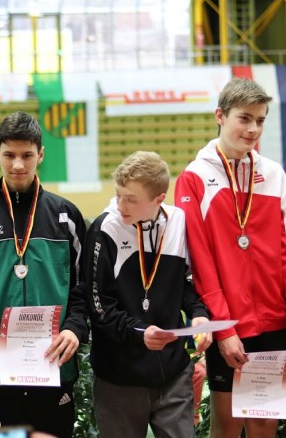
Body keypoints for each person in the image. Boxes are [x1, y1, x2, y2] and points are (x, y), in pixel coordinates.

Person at [174, 77, 286, 438]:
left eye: (260, 120)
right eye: (245, 118)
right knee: (227, 422)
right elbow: (200, 261)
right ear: (220, 116)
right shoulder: (194, 178)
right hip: (228, 323)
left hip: (272, 321)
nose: (253, 129)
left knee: (264, 422)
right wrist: (223, 328)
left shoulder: (272, 174)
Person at [0, 111, 89, 438]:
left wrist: (74, 327)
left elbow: (84, 288)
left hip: (53, 368)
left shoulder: (66, 217)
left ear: (40, 154)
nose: (17, 165)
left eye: (27, 155)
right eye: (9, 155)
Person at [84, 151, 212, 438]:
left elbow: (188, 282)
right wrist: (139, 331)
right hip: (119, 378)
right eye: (118, 195)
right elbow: (98, 307)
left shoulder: (178, 221)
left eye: (131, 199)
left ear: (159, 199)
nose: (121, 205)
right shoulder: (105, 229)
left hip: (173, 373)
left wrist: (199, 314)